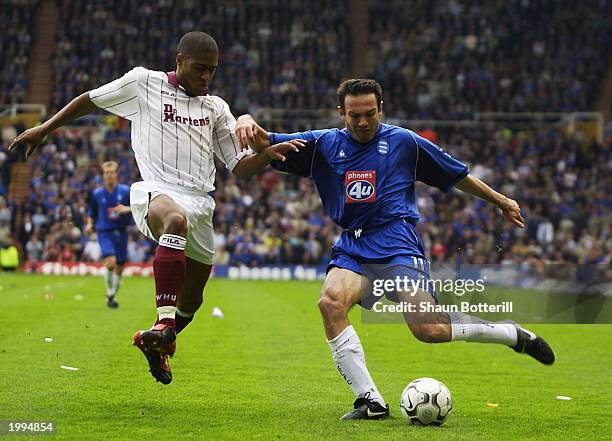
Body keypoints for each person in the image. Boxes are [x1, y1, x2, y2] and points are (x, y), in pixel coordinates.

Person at [235, 79, 555, 420]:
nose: (362, 122)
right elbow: (264, 141)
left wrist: (501, 200)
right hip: (354, 244)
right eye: (354, 115)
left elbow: (456, 175)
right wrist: (244, 118)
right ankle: (369, 400)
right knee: (330, 302)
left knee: (428, 329)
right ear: (341, 112)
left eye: (369, 114)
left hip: (396, 242)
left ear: (381, 109)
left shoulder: (404, 142)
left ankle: (509, 333)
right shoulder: (323, 144)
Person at [8, 31, 302, 385]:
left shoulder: (216, 108)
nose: (206, 77)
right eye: (199, 68)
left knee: (192, 300)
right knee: (174, 221)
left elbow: (238, 167)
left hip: (201, 201)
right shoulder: (143, 83)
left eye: (212, 70)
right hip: (156, 190)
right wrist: (46, 127)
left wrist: (266, 157)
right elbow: (91, 100)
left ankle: (159, 342)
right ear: (179, 61)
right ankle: (163, 323)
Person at [85, 161, 132, 308]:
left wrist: (126, 209)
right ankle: (109, 292)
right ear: (103, 176)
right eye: (107, 173)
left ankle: (111, 295)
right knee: (110, 263)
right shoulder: (97, 194)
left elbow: (138, 206)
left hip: (121, 232)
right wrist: (89, 224)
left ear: (116, 175)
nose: (110, 175)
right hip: (104, 232)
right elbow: (91, 213)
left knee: (120, 267)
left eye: (112, 173)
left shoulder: (125, 191)